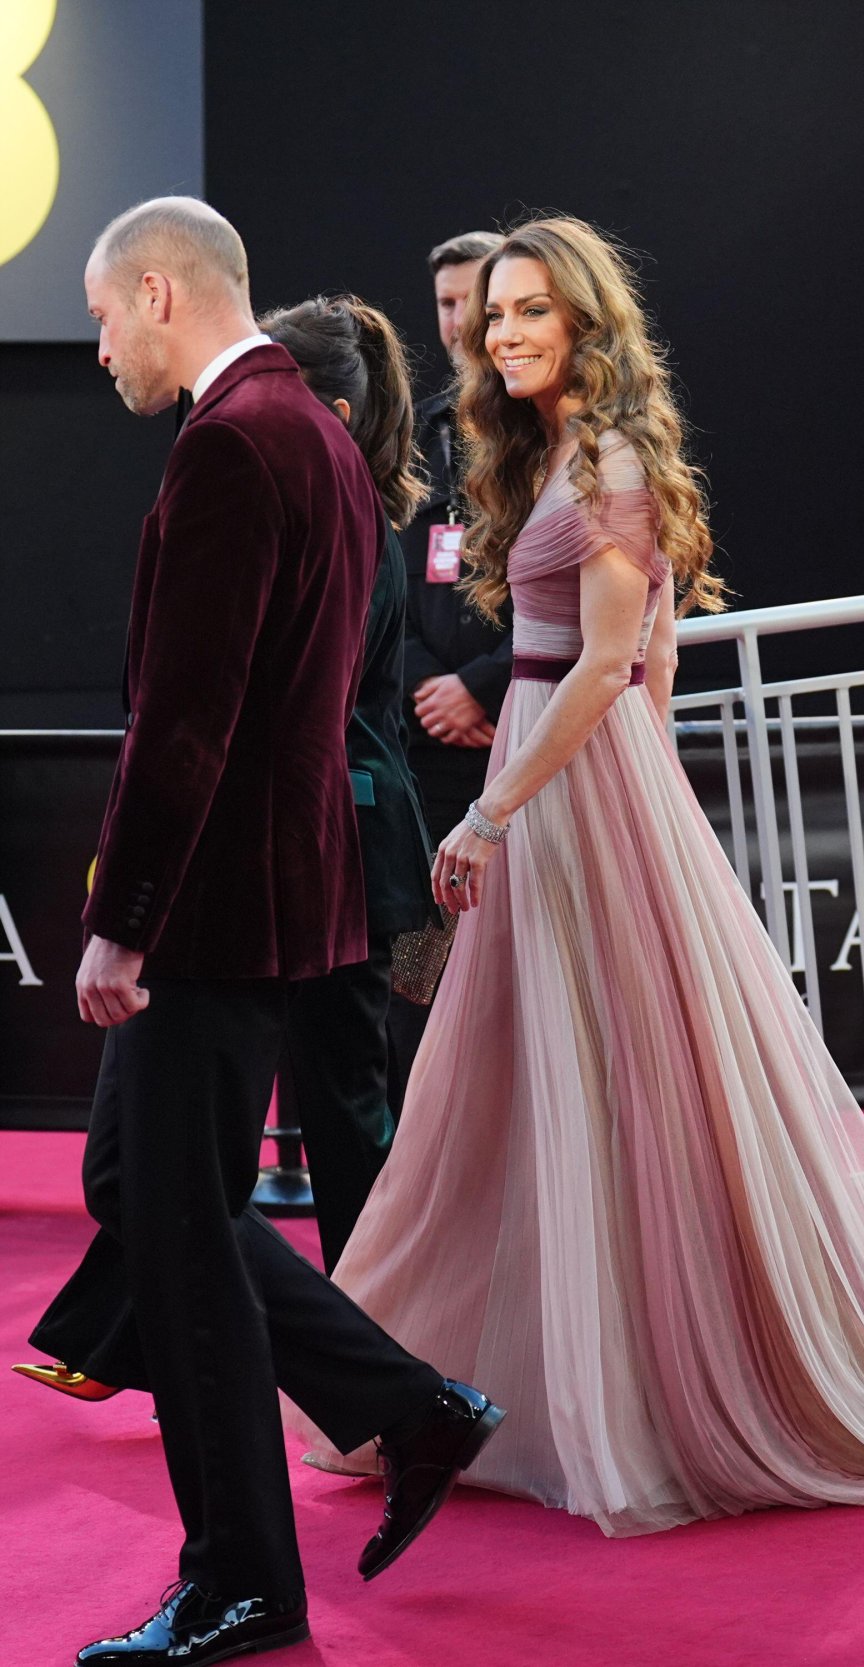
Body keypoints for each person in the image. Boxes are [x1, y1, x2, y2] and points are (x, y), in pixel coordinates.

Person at [294, 215, 864, 1537]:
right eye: (500, 311)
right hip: (577, 780)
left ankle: (628, 1393)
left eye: (536, 310)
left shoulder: (606, 457)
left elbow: (601, 664)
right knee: (537, 1088)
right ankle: (489, 1387)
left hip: (561, 784)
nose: (508, 331)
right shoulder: (549, 452)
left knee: (609, 1086)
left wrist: (495, 815)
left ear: (590, 324)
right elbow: (652, 657)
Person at [21, 198, 503, 1667]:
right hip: (276, 896)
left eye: (103, 316)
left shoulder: (234, 443)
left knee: (171, 1222)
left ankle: (243, 1575)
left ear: (159, 292)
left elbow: (189, 720)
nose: (97, 345)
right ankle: (410, 1402)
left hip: (217, 913)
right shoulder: (317, 435)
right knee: (137, 1180)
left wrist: (123, 923)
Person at [258, 293, 433, 1272]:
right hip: (333, 840)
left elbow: (316, 701)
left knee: (343, 1104)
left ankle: (383, 1344)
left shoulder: (351, 520)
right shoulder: (341, 509)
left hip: (348, 847)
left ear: (326, 405)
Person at [388, 231, 511, 1089]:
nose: (463, 319)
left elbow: (585, 606)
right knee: (416, 977)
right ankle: (416, 1164)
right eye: (448, 302)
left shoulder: (552, 433)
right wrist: (435, 690)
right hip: (425, 759)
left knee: (527, 972)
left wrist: (482, 685)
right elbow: (374, 584)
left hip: (529, 744)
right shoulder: (418, 434)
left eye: (482, 299)